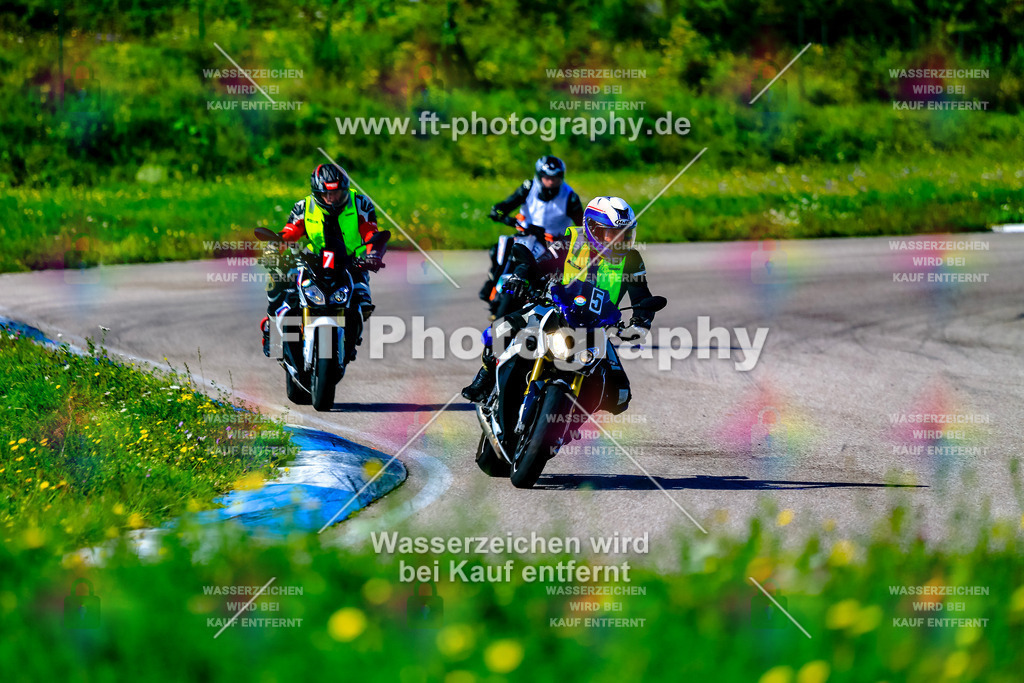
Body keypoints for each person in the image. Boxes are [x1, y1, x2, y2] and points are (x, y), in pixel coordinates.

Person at [462, 196, 659, 413]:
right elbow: (538, 265)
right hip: (554, 308)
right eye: (612, 234)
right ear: (593, 228)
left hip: (597, 325)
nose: (619, 240)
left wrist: (640, 323)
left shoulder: (631, 259)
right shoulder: (571, 242)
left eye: (626, 234)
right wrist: (521, 277)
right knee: (500, 330)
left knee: (619, 395)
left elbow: (642, 296)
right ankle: (485, 376)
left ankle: (571, 418)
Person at [260, 163, 387, 360]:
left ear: (345, 190)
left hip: (350, 261)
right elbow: (290, 232)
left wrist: (373, 255)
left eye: (337, 193)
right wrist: (274, 248)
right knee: (277, 277)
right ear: (317, 193)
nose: (332, 199)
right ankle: (272, 329)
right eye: (327, 194)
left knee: (363, 302)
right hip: (313, 260)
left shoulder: (360, 203)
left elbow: (371, 232)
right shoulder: (304, 207)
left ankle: (349, 342)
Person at [480, 156, 584, 302]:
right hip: (525, 235)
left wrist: (572, 240)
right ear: (540, 176)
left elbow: (582, 225)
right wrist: (497, 211)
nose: (551, 181)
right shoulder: (528, 187)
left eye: (556, 177)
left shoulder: (570, 197)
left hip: (552, 242)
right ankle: (492, 284)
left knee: (546, 269)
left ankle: (539, 295)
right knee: (497, 249)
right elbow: (507, 204)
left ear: (562, 177)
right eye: (547, 177)